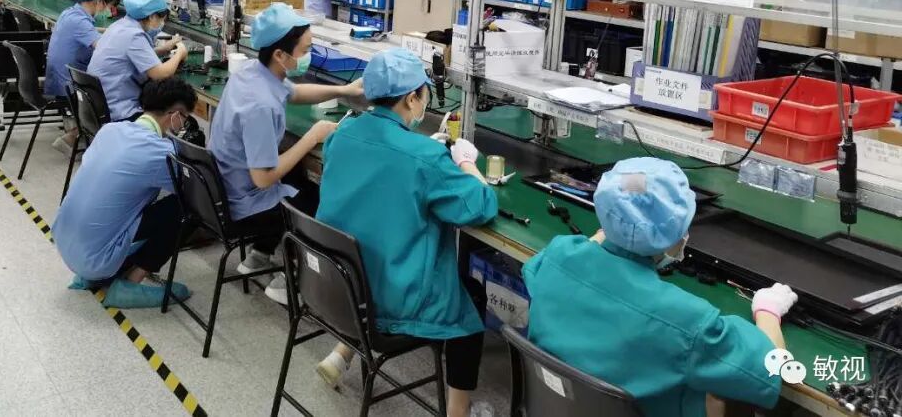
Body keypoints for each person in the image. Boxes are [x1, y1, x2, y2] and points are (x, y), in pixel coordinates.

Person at [521, 157, 797, 417]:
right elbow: (772, 367)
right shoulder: (687, 321)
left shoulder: (558, 255)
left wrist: (608, 234)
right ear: (673, 236)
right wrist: (768, 310)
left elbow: (533, 268)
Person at [314, 49, 497, 417]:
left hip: (339, 283)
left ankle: (342, 351)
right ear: (412, 97)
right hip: (396, 299)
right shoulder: (425, 157)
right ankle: (459, 411)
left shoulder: (344, 132)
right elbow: (481, 206)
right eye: (424, 94)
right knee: (472, 295)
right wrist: (466, 163)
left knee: (371, 238)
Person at [208, 2, 363, 304]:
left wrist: (344, 91)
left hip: (227, 185)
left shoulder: (254, 72)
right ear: (280, 54)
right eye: (305, 50)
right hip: (242, 204)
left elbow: (294, 92)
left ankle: (259, 255)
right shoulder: (261, 106)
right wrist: (312, 137)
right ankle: (290, 282)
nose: (309, 55)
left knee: (295, 177)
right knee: (318, 203)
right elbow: (264, 179)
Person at [52, 77, 198, 308]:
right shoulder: (160, 152)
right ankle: (130, 283)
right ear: (175, 115)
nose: (183, 126)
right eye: (185, 119)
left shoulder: (110, 130)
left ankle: (92, 275)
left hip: (65, 244)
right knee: (185, 208)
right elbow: (195, 189)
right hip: (95, 261)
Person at [45, 0, 123, 154]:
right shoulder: (80, 22)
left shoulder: (71, 13)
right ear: (99, 1)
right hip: (70, 88)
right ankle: (84, 136)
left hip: (61, 81)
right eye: (109, 5)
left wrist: (113, 31)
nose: (109, 10)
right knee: (122, 93)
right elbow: (105, 49)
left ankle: (77, 134)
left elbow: (90, 32)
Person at [87, 0, 188, 122]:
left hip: (98, 106)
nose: (161, 23)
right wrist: (180, 53)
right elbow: (161, 74)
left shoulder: (120, 25)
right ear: (152, 16)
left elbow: (130, 56)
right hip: (118, 111)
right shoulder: (134, 35)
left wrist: (163, 49)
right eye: (161, 19)